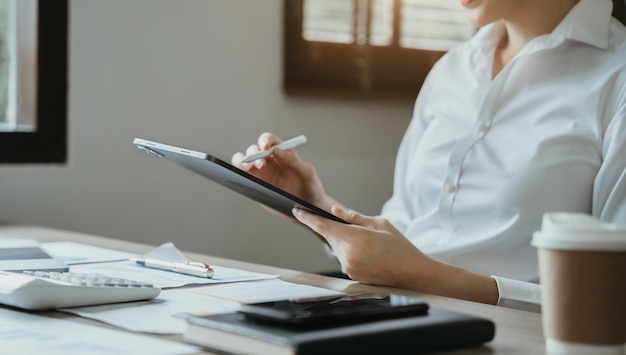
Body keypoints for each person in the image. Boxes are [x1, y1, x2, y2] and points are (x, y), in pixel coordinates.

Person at [232, 0, 626, 309]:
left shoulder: (616, 77)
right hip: (388, 308)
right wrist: (311, 204)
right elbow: (404, 232)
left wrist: (426, 276)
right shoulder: (452, 69)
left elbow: (610, 299)